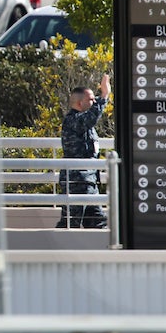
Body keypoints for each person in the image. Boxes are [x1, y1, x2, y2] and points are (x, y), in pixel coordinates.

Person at [57, 73, 110, 229]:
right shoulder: (73, 120)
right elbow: (91, 117)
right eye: (90, 100)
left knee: (98, 222)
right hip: (76, 182)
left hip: (90, 181)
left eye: (94, 99)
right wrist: (104, 96)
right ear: (80, 103)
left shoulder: (84, 122)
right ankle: (52, 252)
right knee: (70, 224)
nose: (93, 102)